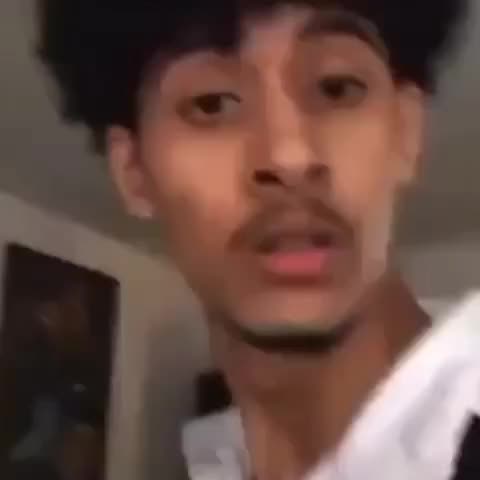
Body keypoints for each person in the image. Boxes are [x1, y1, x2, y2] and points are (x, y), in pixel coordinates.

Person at [35, 1, 477, 479]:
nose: (290, 157)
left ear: (406, 131)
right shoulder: (215, 459)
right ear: (134, 172)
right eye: (212, 104)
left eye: (336, 87)